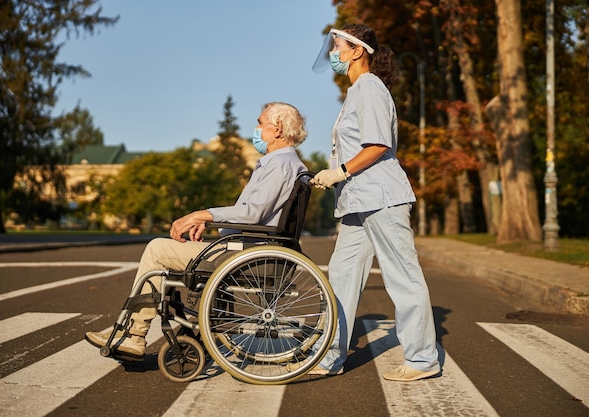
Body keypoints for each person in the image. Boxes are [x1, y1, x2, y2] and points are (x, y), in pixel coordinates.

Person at [85, 102, 308, 361]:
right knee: (166, 251)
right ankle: (144, 331)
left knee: (157, 249)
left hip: (248, 255)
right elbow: (255, 214)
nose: (256, 129)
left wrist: (200, 215)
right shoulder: (285, 164)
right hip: (251, 250)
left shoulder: (279, 165)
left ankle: (134, 335)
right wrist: (213, 224)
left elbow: (252, 214)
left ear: (277, 128)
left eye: (260, 122)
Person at [306, 24, 440, 381]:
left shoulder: (369, 88)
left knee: (403, 276)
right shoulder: (357, 91)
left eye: (338, 46)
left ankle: (423, 359)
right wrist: (340, 177)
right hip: (357, 202)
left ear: (357, 51)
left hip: (381, 197)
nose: (333, 52)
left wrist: (340, 171)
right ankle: (330, 356)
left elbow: (378, 145)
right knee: (342, 275)